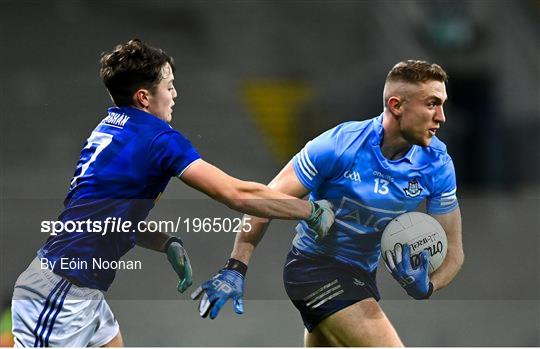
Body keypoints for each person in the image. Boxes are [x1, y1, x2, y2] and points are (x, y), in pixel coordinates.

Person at [10, 39, 334, 347]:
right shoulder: (158, 139)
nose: (175, 94)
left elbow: (111, 220)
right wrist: (309, 210)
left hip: (78, 292)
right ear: (143, 97)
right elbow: (235, 193)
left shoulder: (109, 129)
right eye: (168, 86)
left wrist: (166, 242)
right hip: (61, 295)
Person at [192, 60, 464, 347]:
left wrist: (429, 285)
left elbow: (454, 249)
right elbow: (264, 201)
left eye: (442, 104)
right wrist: (236, 266)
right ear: (396, 105)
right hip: (314, 269)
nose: (442, 117)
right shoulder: (338, 145)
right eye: (432, 104)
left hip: (362, 276)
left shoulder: (438, 165)